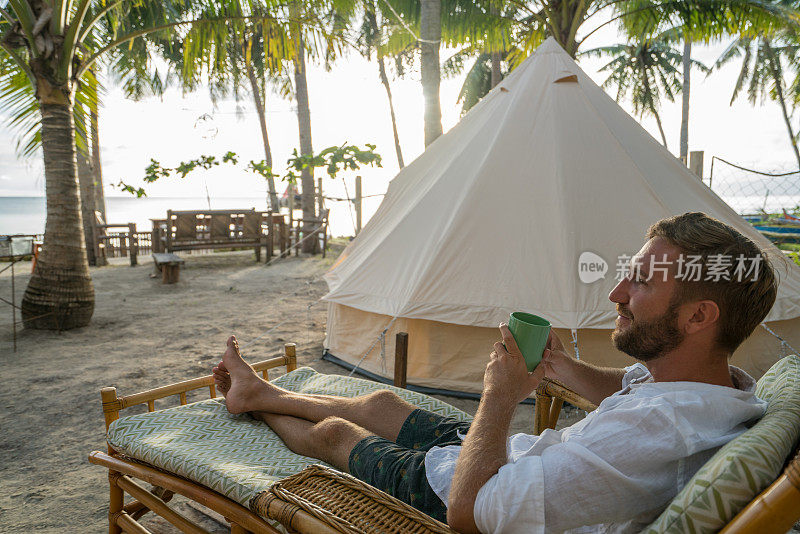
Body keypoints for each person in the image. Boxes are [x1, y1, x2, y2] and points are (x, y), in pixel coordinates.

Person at [212, 212, 776, 533]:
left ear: (700, 315)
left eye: (643, 282)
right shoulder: (717, 393)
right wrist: (554, 365)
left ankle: (253, 405)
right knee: (384, 407)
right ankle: (263, 387)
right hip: (519, 460)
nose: (616, 293)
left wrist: (499, 395)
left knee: (337, 434)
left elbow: (469, 512)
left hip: (470, 489)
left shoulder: (654, 437)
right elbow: (625, 390)